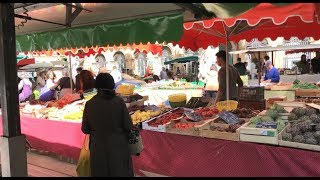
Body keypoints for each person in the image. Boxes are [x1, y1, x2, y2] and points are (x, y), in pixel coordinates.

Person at [81, 73, 134, 177]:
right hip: (118, 148)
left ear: (96, 86)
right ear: (112, 85)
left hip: (98, 149)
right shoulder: (119, 102)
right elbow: (128, 125)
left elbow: (85, 129)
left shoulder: (90, 104)